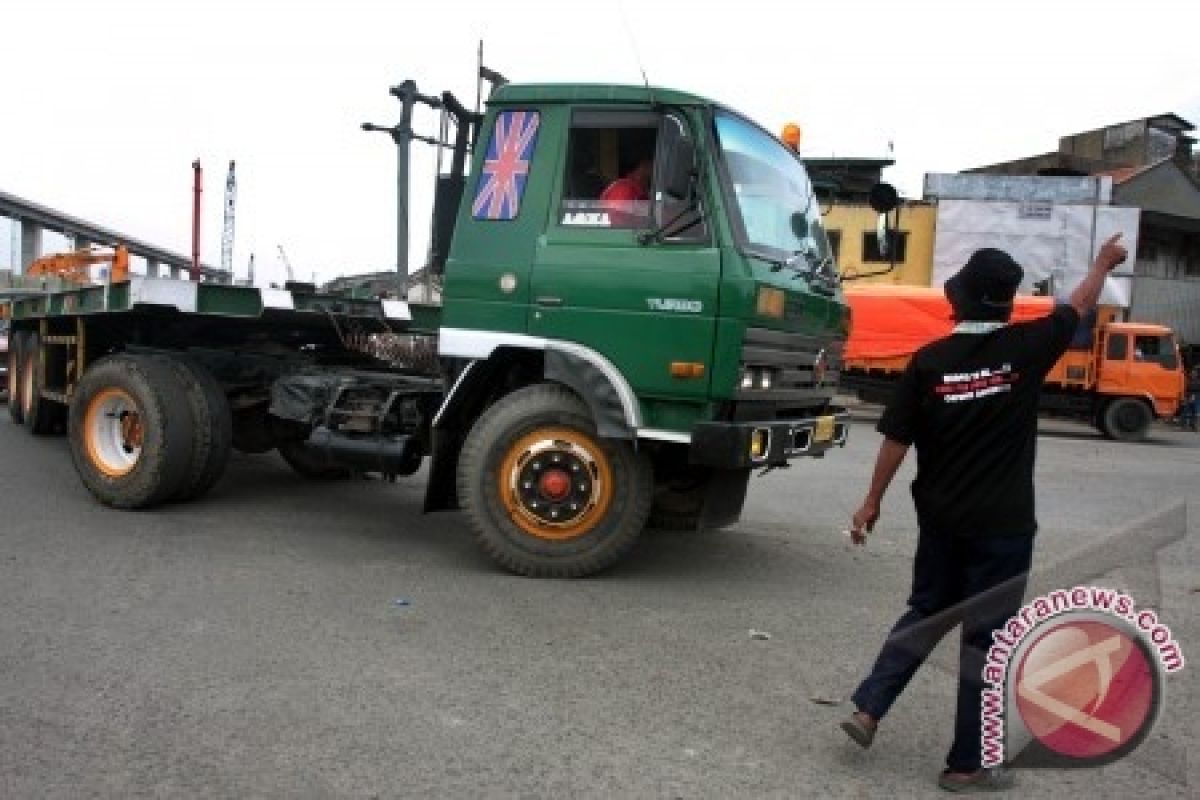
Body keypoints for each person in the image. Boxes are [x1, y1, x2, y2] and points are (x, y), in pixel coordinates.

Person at [839, 234, 1128, 792]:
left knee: (924, 612)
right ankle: (965, 764)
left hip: (942, 521)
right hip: (1004, 528)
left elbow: (896, 439)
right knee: (986, 642)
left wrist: (871, 502)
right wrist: (1100, 263)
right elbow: (1081, 303)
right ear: (1004, 304)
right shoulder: (1029, 347)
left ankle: (870, 708)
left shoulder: (929, 362)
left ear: (959, 301)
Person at [599, 156, 652, 227]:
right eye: (650, 164)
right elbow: (618, 222)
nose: (655, 168)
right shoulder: (624, 188)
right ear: (643, 166)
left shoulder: (644, 191)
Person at [1182, 365, 1200, 431]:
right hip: (1189, 396)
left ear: (1196, 374)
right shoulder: (1188, 380)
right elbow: (1186, 389)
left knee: (1196, 412)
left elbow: (1196, 388)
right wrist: (1186, 397)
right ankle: (1187, 426)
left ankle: (1195, 426)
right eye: (1192, 373)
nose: (1193, 374)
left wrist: (1193, 395)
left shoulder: (1197, 381)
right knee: (1187, 412)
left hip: (1196, 397)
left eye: (1194, 373)